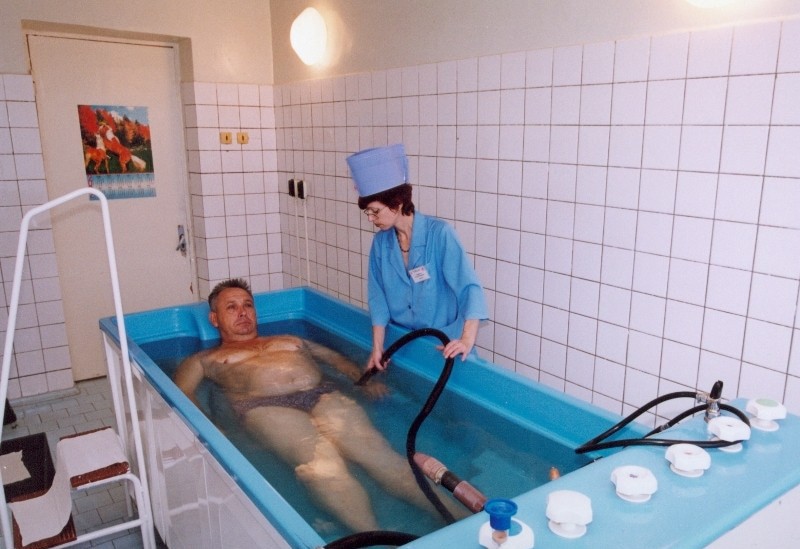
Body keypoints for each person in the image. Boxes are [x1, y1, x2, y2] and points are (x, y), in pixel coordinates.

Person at [174, 278, 462, 533]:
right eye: (232, 307)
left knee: (381, 457)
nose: (242, 312)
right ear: (214, 319)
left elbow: (334, 359)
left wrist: (364, 382)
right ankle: (374, 535)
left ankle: (460, 518)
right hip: (263, 405)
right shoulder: (204, 359)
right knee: (323, 466)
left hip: (322, 394)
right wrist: (212, 429)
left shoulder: (289, 339)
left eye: (248, 305)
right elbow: (184, 393)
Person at [347, 144, 489, 373]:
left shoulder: (440, 235)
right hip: (404, 346)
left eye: (375, 211)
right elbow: (377, 298)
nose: (371, 219)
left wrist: (466, 339)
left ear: (396, 204)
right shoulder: (381, 244)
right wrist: (378, 348)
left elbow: (469, 288)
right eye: (368, 212)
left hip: (444, 347)